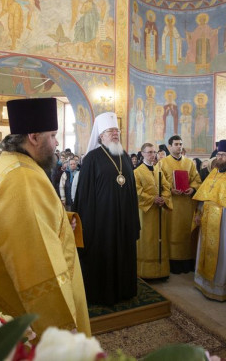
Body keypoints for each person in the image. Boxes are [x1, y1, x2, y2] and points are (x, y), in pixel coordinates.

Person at [0, 98, 90, 337]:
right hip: (27, 314)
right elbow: (37, 261)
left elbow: (24, 220)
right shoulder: (22, 177)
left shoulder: (5, 164)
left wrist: (60, 220)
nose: (57, 143)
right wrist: (60, 327)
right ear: (34, 137)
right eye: (53, 135)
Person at [73, 112, 139, 306]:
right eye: (110, 131)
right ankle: (102, 294)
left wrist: (133, 218)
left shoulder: (124, 156)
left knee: (124, 253)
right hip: (102, 220)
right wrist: (86, 223)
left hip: (124, 218)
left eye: (117, 131)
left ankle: (124, 290)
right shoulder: (92, 158)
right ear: (101, 135)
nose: (115, 134)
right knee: (105, 253)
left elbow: (131, 188)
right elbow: (84, 194)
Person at [193, 140, 226, 301]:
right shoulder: (215, 172)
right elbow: (204, 195)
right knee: (205, 249)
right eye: (218, 154)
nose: (219, 158)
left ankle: (221, 289)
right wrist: (198, 212)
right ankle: (204, 283)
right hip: (207, 218)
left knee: (224, 252)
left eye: (223, 155)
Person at [158, 135, 202, 273]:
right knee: (172, 232)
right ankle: (172, 262)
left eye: (181, 144)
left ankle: (187, 261)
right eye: (176, 144)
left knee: (185, 232)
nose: (179, 146)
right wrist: (170, 190)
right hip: (171, 205)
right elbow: (157, 182)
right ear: (170, 146)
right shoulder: (162, 163)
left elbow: (196, 180)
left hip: (187, 205)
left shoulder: (189, 163)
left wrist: (192, 189)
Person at [134, 142, 172, 280]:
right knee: (147, 239)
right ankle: (146, 272)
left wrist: (164, 199)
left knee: (160, 239)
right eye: (149, 152)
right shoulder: (137, 172)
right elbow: (137, 191)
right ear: (142, 154)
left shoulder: (158, 170)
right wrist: (152, 199)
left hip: (159, 211)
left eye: (154, 152)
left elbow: (166, 187)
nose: (152, 155)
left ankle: (161, 272)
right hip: (146, 213)